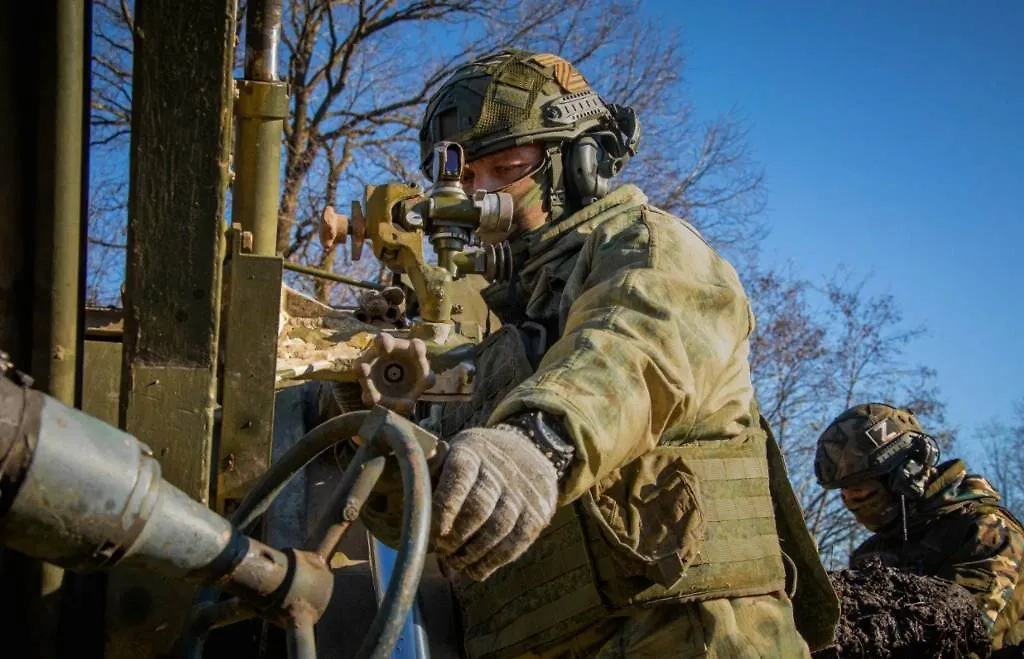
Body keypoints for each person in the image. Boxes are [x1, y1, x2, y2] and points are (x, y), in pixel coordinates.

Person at [339, 49, 838, 658]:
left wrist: (537, 444)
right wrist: (365, 421)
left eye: (504, 167)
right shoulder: (503, 324)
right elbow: (423, 519)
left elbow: (634, 348)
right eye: (465, 179)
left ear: (581, 164)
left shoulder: (648, 248)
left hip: (683, 638)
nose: (480, 195)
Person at [815, 402, 1024, 650]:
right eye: (843, 492)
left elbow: (965, 634)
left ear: (907, 474)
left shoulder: (986, 531)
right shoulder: (872, 553)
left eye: (859, 489)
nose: (850, 499)